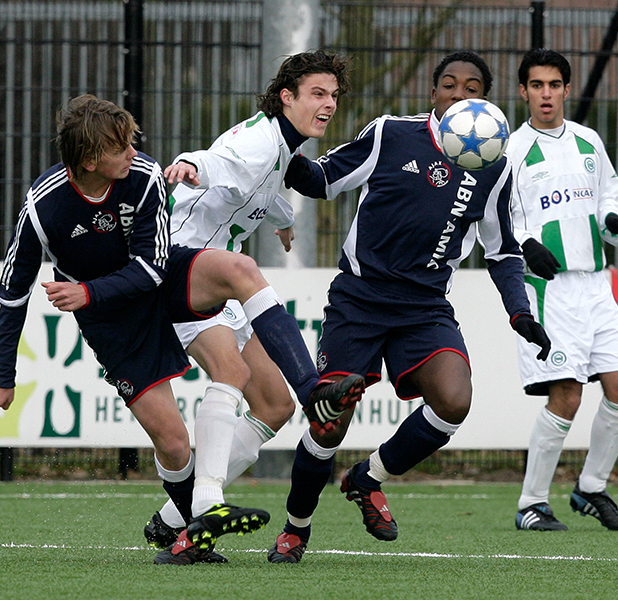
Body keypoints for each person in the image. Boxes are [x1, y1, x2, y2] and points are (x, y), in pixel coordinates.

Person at [0, 95, 364, 566]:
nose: (134, 153)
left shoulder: (142, 177)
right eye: (121, 147)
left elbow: (154, 265)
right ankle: (191, 527)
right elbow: (11, 295)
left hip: (155, 279)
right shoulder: (43, 207)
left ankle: (309, 392)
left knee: (239, 272)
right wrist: (2, 377)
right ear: (90, 159)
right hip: (113, 322)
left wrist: (88, 292)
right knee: (175, 444)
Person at [265, 51, 551, 564]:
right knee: (329, 424)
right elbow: (321, 180)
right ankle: (296, 528)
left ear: (486, 100)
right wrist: (276, 143)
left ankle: (367, 477)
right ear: (433, 92)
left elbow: (504, 251)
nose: (459, 94)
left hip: (424, 307)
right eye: (449, 84)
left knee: (454, 400)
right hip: (359, 300)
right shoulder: (390, 134)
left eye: (472, 87)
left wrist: (520, 312)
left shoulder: (496, 166)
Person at [141, 50, 354, 558]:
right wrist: (192, 164)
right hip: (178, 266)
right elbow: (226, 161)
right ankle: (205, 506)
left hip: (215, 274)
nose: (327, 105)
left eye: (333, 97)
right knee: (233, 370)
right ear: (287, 97)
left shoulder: (282, 147)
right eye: (317, 94)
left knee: (272, 406)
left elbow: (264, 182)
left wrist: (282, 217)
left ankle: (174, 519)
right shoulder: (259, 139)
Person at [506, 48, 618, 532]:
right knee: (566, 395)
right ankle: (530, 504)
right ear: (523, 92)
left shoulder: (588, 141)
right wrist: (524, 245)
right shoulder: (511, 151)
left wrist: (613, 220)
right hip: (549, 289)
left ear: (566, 89)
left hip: (597, 285)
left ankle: (592, 488)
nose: (546, 94)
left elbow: (607, 193)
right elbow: (497, 219)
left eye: (554, 85)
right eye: (536, 85)